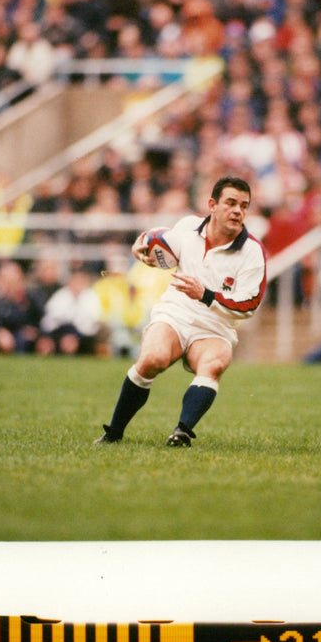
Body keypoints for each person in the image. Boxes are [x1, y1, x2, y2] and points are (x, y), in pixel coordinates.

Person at [95, 176, 267, 447]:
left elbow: (249, 304)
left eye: (244, 206)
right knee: (153, 358)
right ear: (212, 204)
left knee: (215, 363)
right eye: (231, 203)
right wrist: (138, 249)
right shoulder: (187, 227)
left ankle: (182, 432)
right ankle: (113, 433)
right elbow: (154, 242)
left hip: (216, 326)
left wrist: (206, 295)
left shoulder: (252, 251)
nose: (238, 211)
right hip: (176, 313)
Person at [35, 268, 104, 356]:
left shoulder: (91, 296)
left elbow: (94, 318)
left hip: (83, 335)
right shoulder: (60, 295)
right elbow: (52, 317)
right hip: (61, 331)